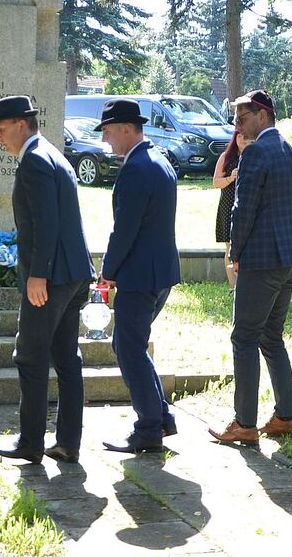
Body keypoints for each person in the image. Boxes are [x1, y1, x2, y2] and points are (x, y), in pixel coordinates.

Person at [0, 95, 95, 465]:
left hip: (52, 278)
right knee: (66, 359)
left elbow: (46, 223)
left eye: (1, 130)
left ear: (21, 123)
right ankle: (67, 443)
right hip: (73, 274)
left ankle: (31, 442)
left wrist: (37, 275)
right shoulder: (51, 153)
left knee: (30, 356)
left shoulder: (34, 160)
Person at [208, 89, 292, 446]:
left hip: (263, 259)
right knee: (271, 337)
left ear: (262, 115)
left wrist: (235, 251)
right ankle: (286, 417)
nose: (236, 125)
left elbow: (243, 209)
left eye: (242, 117)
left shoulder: (255, 154)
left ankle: (245, 423)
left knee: (244, 337)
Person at [97, 99, 181, 454]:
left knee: (128, 348)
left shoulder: (136, 169)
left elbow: (125, 230)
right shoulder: (160, 161)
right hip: (160, 272)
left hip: (139, 275)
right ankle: (160, 417)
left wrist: (107, 272)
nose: (106, 141)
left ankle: (148, 429)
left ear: (127, 129)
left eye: (109, 132)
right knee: (132, 345)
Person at [212, 130, 252, 289]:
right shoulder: (226, 157)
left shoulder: (255, 156)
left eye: (247, 136)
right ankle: (233, 286)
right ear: (235, 138)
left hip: (248, 205)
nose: (243, 139)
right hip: (228, 205)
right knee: (229, 246)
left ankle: (246, 284)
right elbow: (216, 182)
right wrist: (231, 177)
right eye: (240, 136)